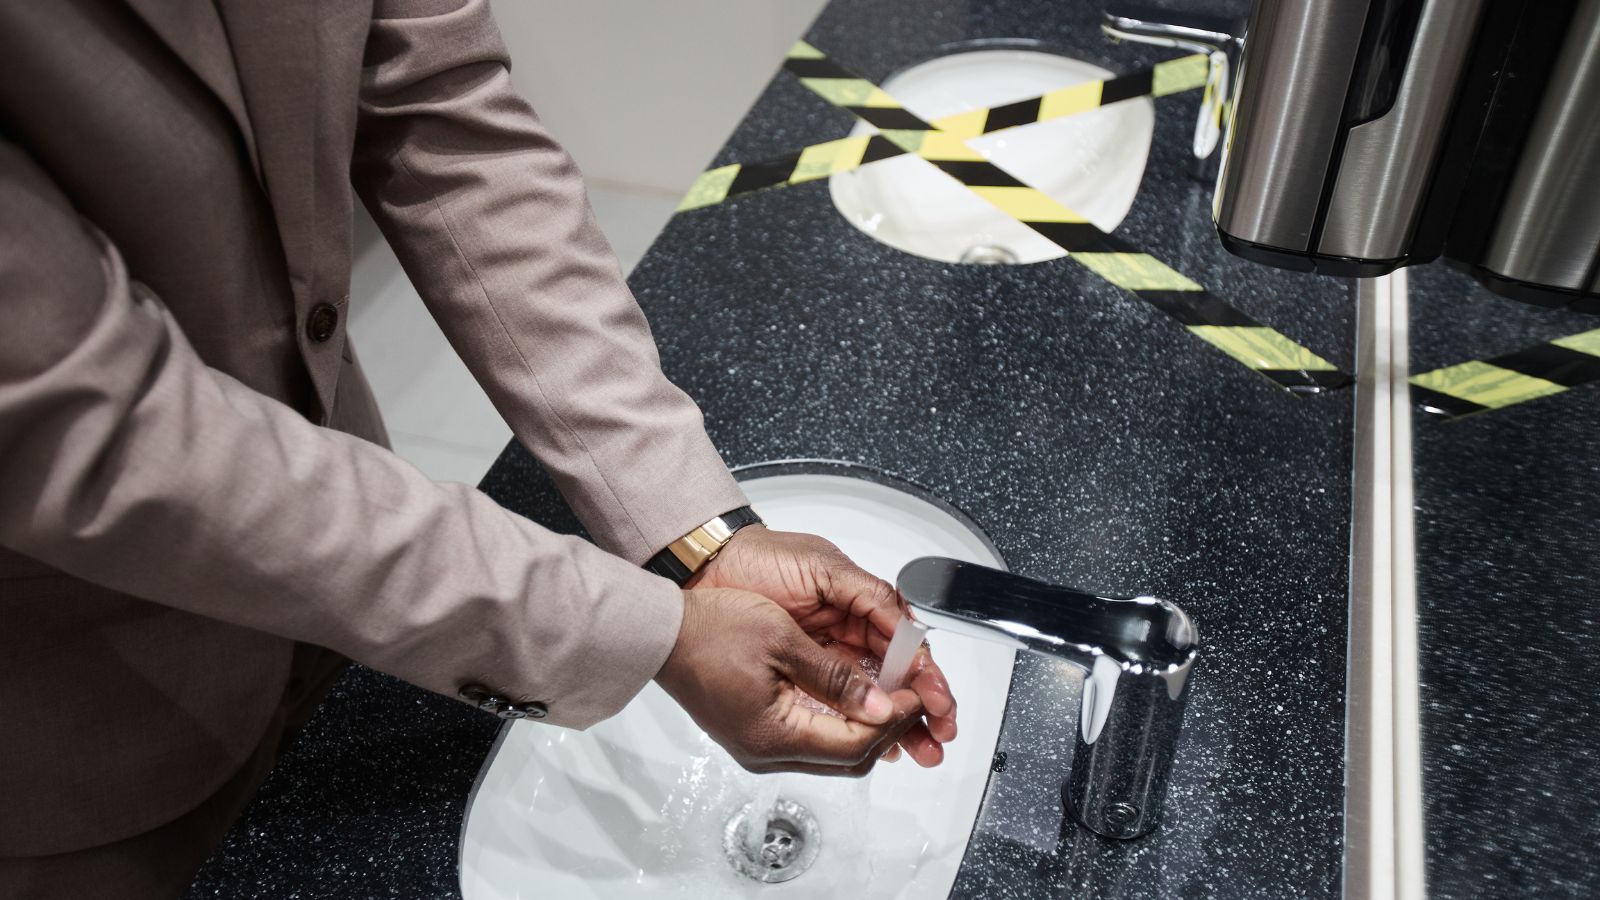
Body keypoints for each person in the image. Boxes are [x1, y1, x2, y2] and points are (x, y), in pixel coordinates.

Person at [0, 1, 957, 896]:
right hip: (90, 717)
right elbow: (99, 425)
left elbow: (440, 115)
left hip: (367, 574)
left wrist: (699, 536)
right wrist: (653, 632)